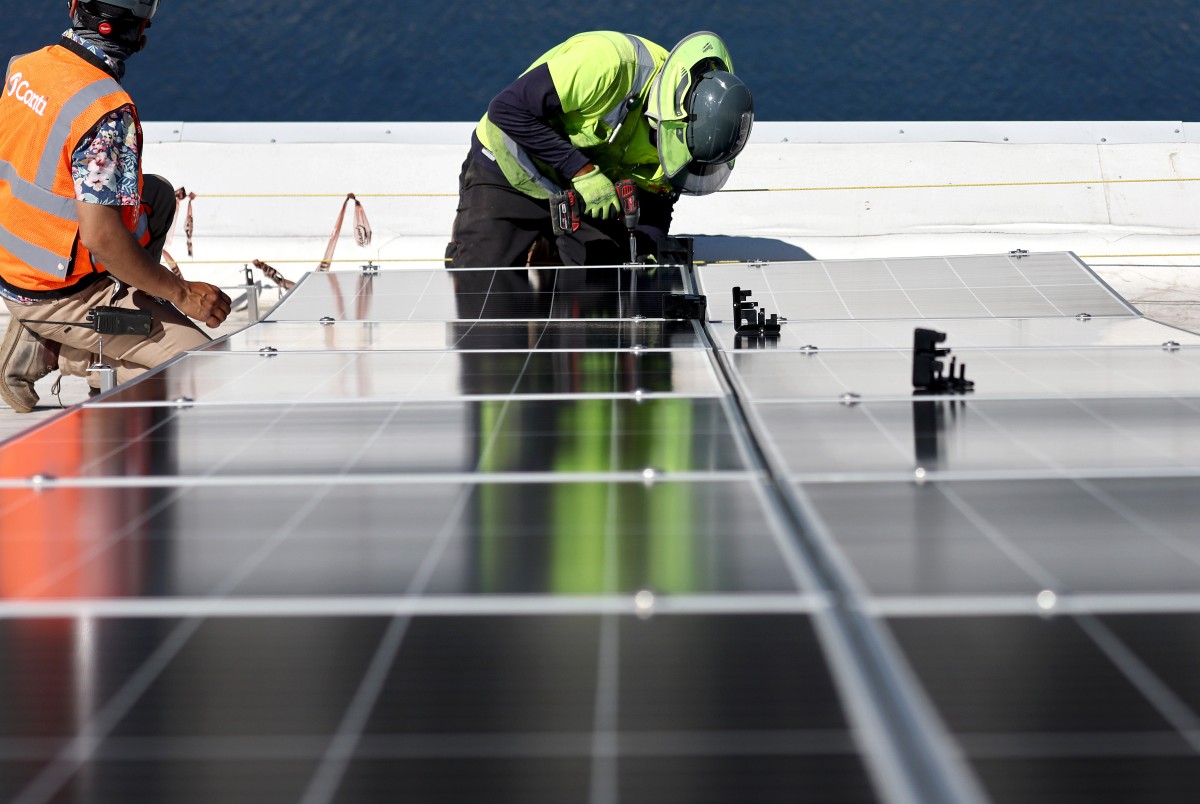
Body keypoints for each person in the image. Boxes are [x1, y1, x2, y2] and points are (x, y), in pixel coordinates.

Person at [0, 0, 231, 414]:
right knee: (203, 370)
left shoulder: (27, 66)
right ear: (140, 31)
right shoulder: (105, 111)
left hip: (14, 259)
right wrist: (181, 293)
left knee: (154, 196)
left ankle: (66, 324)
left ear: (74, 7)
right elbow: (101, 237)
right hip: (57, 292)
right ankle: (61, 349)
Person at [446, 30, 754, 273]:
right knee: (482, 284)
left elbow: (658, 197)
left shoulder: (688, 144)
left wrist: (650, 250)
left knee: (602, 285)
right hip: (513, 168)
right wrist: (582, 171)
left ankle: (551, 254)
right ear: (672, 113)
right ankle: (537, 246)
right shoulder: (607, 64)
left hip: (595, 193)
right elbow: (507, 110)